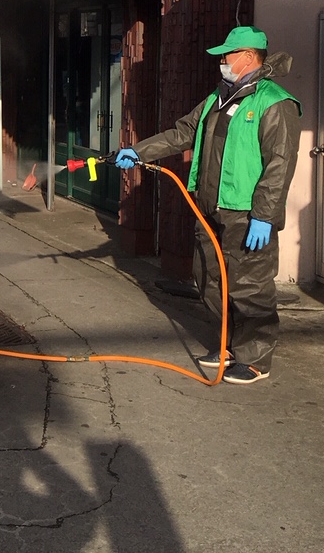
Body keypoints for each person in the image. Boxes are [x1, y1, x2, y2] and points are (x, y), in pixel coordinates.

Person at [115, 25, 300, 385]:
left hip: (246, 212)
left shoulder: (275, 102)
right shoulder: (219, 97)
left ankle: (256, 358)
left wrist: (265, 214)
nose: (221, 62)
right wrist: (138, 151)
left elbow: (280, 163)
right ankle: (231, 345)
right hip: (209, 205)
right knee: (210, 279)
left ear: (248, 57)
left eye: (227, 55)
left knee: (250, 285)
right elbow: (183, 132)